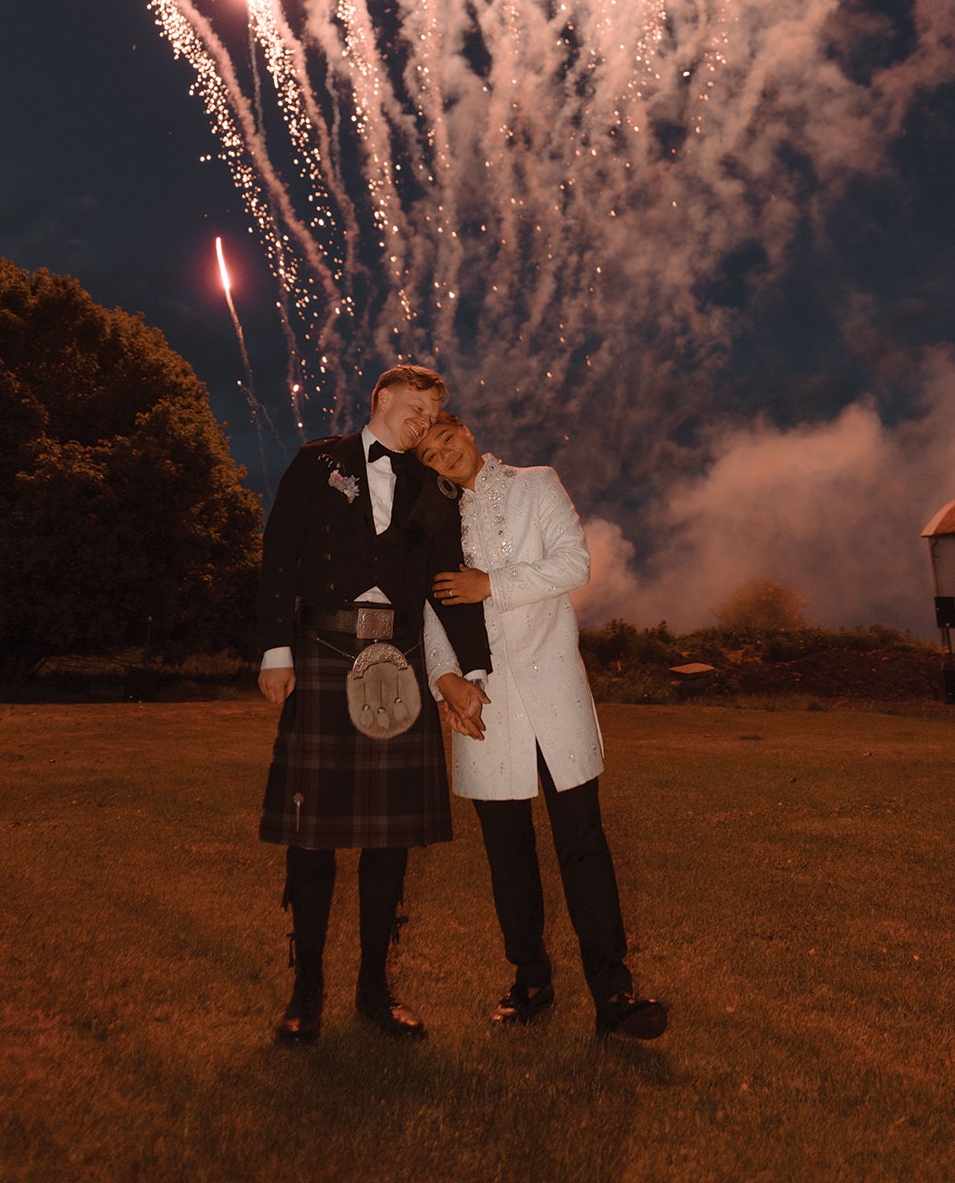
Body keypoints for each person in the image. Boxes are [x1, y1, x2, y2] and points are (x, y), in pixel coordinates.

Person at [258, 366, 491, 1046]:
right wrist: (275, 647)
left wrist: (472, 668)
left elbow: (449, 583)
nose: (423, 419)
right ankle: (306, 993)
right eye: (415, 406)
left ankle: (374, 990)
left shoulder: (434, 487)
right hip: (324, 648)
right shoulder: (318, 463)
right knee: (312, 834)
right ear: (382, 400)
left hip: (403, 661)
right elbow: (279, 554)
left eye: (433, 411)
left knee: (390, 835)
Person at [418, 413, 668, 1041]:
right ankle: (530, 981)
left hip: (553, 689)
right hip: (486, 699)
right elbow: (427, 605)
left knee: (582, 843)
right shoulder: (434, 519)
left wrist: (488, 586)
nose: (442, 455)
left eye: (446, 439)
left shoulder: (536, 484)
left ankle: (614, 993)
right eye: (428, 454)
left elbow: (573, 565)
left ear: (466, 432)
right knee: (508, 852)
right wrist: (446, 680)